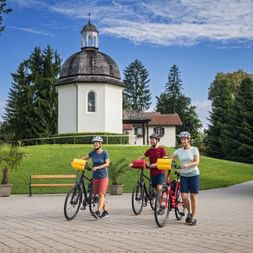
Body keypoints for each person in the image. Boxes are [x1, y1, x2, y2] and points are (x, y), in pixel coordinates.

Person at [170, 131, 200, 226]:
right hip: (184, 176)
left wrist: (188, 165)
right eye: (182, 139)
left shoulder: (194, 149)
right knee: (184, 197)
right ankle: (189, 212)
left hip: (194, 175)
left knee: (193, 196)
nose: (183, 140)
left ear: (188, 140)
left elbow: (196, 162)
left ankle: (194, 217)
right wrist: (165, 159)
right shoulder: (178, 151)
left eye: (185, 139)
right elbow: (170, 158)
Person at [81, 136, 110, 219]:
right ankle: (105, 211)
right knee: (99, 194)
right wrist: (76, 161)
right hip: (95, 177)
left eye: (97, 143)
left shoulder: (105, 153)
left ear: (100, 144)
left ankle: (98, 212)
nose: (95, 144)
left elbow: (107, 164)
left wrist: (98, 167)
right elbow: (84, 158)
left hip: (103, 176)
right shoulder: (92, 153)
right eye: (94, 143)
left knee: (101, 194)